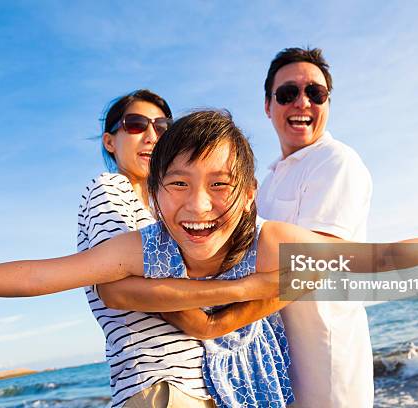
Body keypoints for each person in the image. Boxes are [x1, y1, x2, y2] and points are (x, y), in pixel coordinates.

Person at [0, 110, 418, 407]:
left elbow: (385, 255)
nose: (198, 205)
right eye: (177, 184)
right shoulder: (143, 246)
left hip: (266, 390)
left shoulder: (273, 240)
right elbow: (36, 275)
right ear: (153, 195)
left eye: (219, 183)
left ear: (249, 189)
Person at [77, 91, 276, 408]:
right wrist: (218, 314)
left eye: (162, 126)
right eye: (135, 125)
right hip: (160, 386)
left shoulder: (167, 211)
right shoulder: (111, 187)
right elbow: (113, 285)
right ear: (109, 141)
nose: (151, 135)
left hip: (204, 386)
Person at [259, 47, 373, 407]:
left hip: (329, 366)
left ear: (327, 103)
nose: (302, 103)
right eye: (287, 93)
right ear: (268, 106)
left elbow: (312, 262)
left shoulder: (336, 161)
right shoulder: (269, 178)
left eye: (315, 93)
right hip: (281, 368)